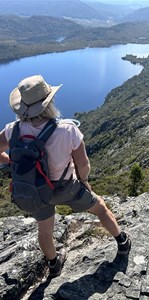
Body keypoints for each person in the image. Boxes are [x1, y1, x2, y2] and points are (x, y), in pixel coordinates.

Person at [0, 75, 131, 277]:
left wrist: (14, 162)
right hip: (66, 188)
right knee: (101, 209)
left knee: (44, 231)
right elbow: (83, 164)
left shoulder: (12, 130)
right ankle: (122, 242)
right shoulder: (67, 129)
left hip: (35, 190)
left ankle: (54, 265)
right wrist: (85, 182)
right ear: (48, 102)